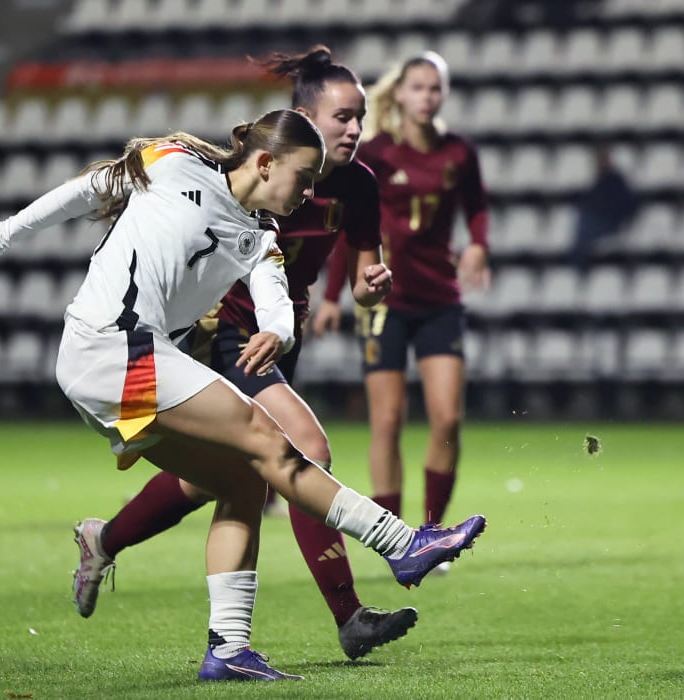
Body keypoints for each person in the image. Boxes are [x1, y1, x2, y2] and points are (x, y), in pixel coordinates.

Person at [0, 109, 487, 682]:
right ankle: (401, 542)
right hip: (109, 345)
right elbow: (86, 189)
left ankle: (228, 649)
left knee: (242, 478)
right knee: (268, 437)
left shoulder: (260, 235)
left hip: (134, 365)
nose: (310, 191)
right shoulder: (172, 162)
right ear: (265, 163)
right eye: (304, 177)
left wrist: (277, 332)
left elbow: (276, 302)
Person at [68, 48, 422, 661]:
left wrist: (368, 288)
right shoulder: (259, 172)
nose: (355, 130)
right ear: (304, 117)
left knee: (223, 479)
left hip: (281, 335)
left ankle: (106, 539)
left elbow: (366, 274)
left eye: (361, 117)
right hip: (227, 331)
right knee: (302, 449)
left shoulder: (360, 187)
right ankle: (352, 612)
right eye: (342, 117)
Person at [311, 51, 489, 537]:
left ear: (444, 94)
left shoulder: (458, 153)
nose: (427, 97)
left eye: (435, 88)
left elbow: (477, 207)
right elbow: (353, 228)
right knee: (387, 421)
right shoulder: (376, 153)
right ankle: (394, 535)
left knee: (448, 419)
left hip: (440, 299)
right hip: (384, 301)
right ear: (402, 93)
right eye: (418, 87)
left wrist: (478, 245)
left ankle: (431, 532)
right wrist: (332, 295)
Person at [568, 145, 638, 269]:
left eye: (603, 161)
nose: (600, 164)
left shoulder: (615, 180)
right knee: (583, 222)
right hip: (599, 218)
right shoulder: (599, 181)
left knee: (585, 228)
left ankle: (578, 265)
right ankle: (577, 264)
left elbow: (628, 204)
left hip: (608, 221)